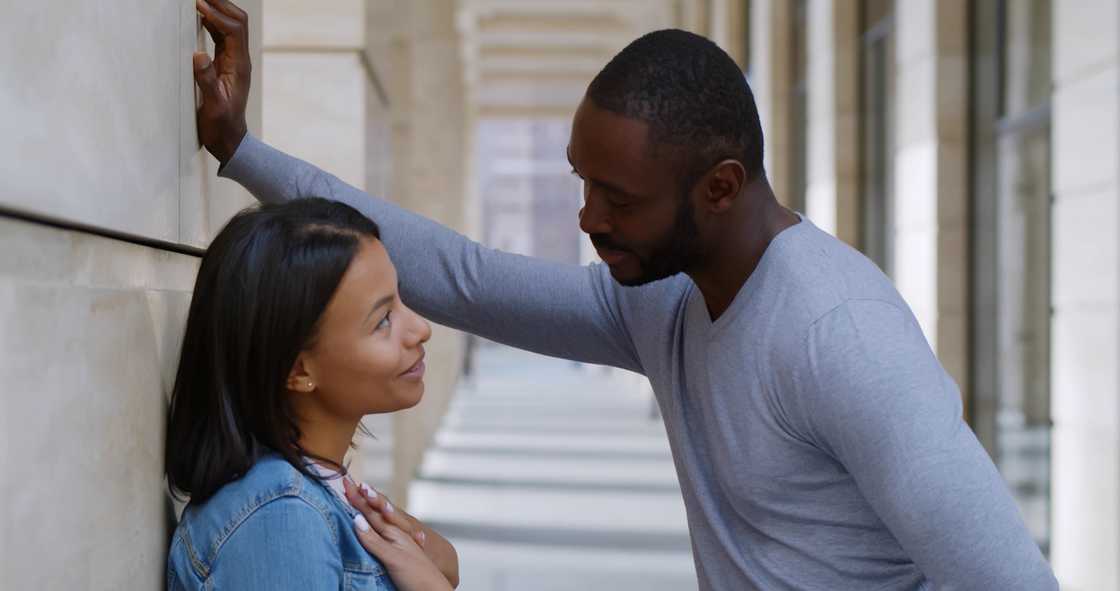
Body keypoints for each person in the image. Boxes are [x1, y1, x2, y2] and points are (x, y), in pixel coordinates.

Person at [192, 1, 1059, 588]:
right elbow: (463, 275)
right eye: (582, 181)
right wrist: (240, 149)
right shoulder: (661, 299)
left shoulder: (843, 337)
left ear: (720, 187)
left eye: (619, 198)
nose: (587, 216)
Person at [164, 197, 459, 590]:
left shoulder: (307, 495)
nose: (421, 328)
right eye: (383, 319)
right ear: (299, 370)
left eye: (400, 299)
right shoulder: (279, 518)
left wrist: (440, 559)